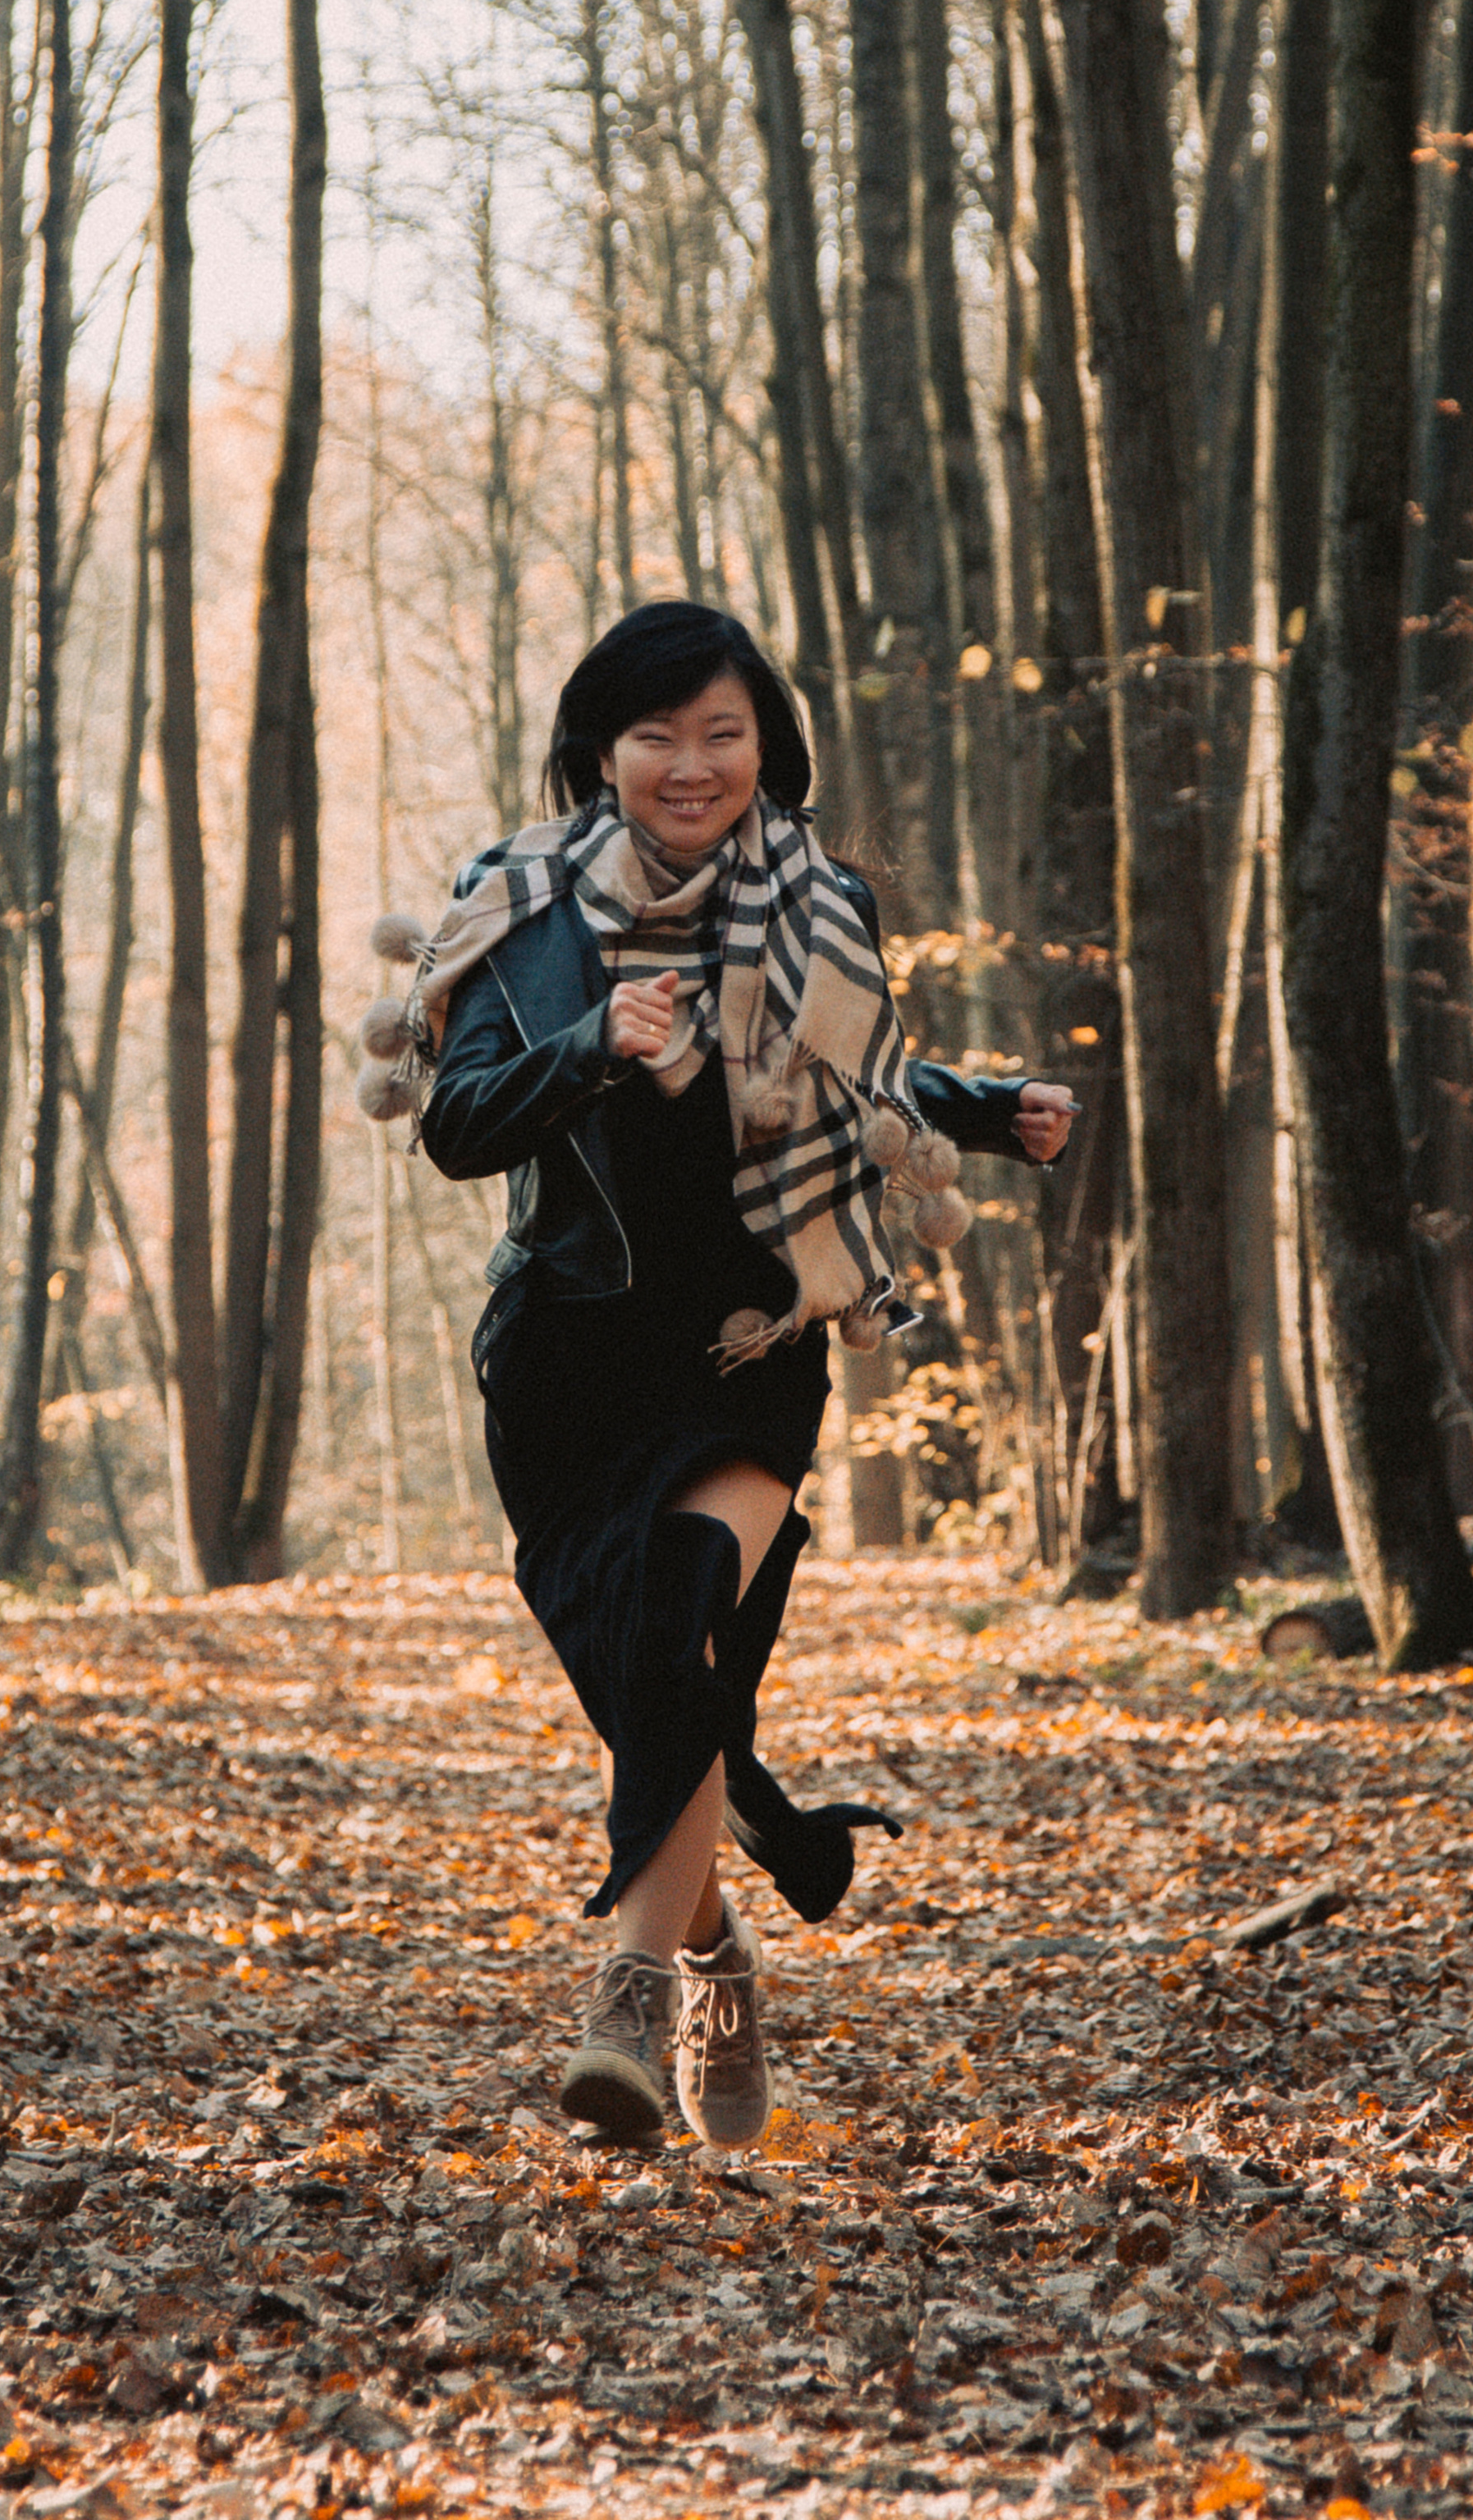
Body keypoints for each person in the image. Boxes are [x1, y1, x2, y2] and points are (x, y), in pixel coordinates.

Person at [367, 603, 1076, 2152]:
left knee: (688, 1589)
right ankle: (717, 1958)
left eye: (723, 734)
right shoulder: (519, 902)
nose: (692, 766)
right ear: (602, 750)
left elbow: (851, 1084)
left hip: (752, 1342)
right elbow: (458, 1124)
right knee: (650, 1680)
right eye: (658, 736)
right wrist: (592, 1048)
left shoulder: (819, 900)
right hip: (565, 1359)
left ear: (767, 744)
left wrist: (983, 1102)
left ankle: (627, 1996)